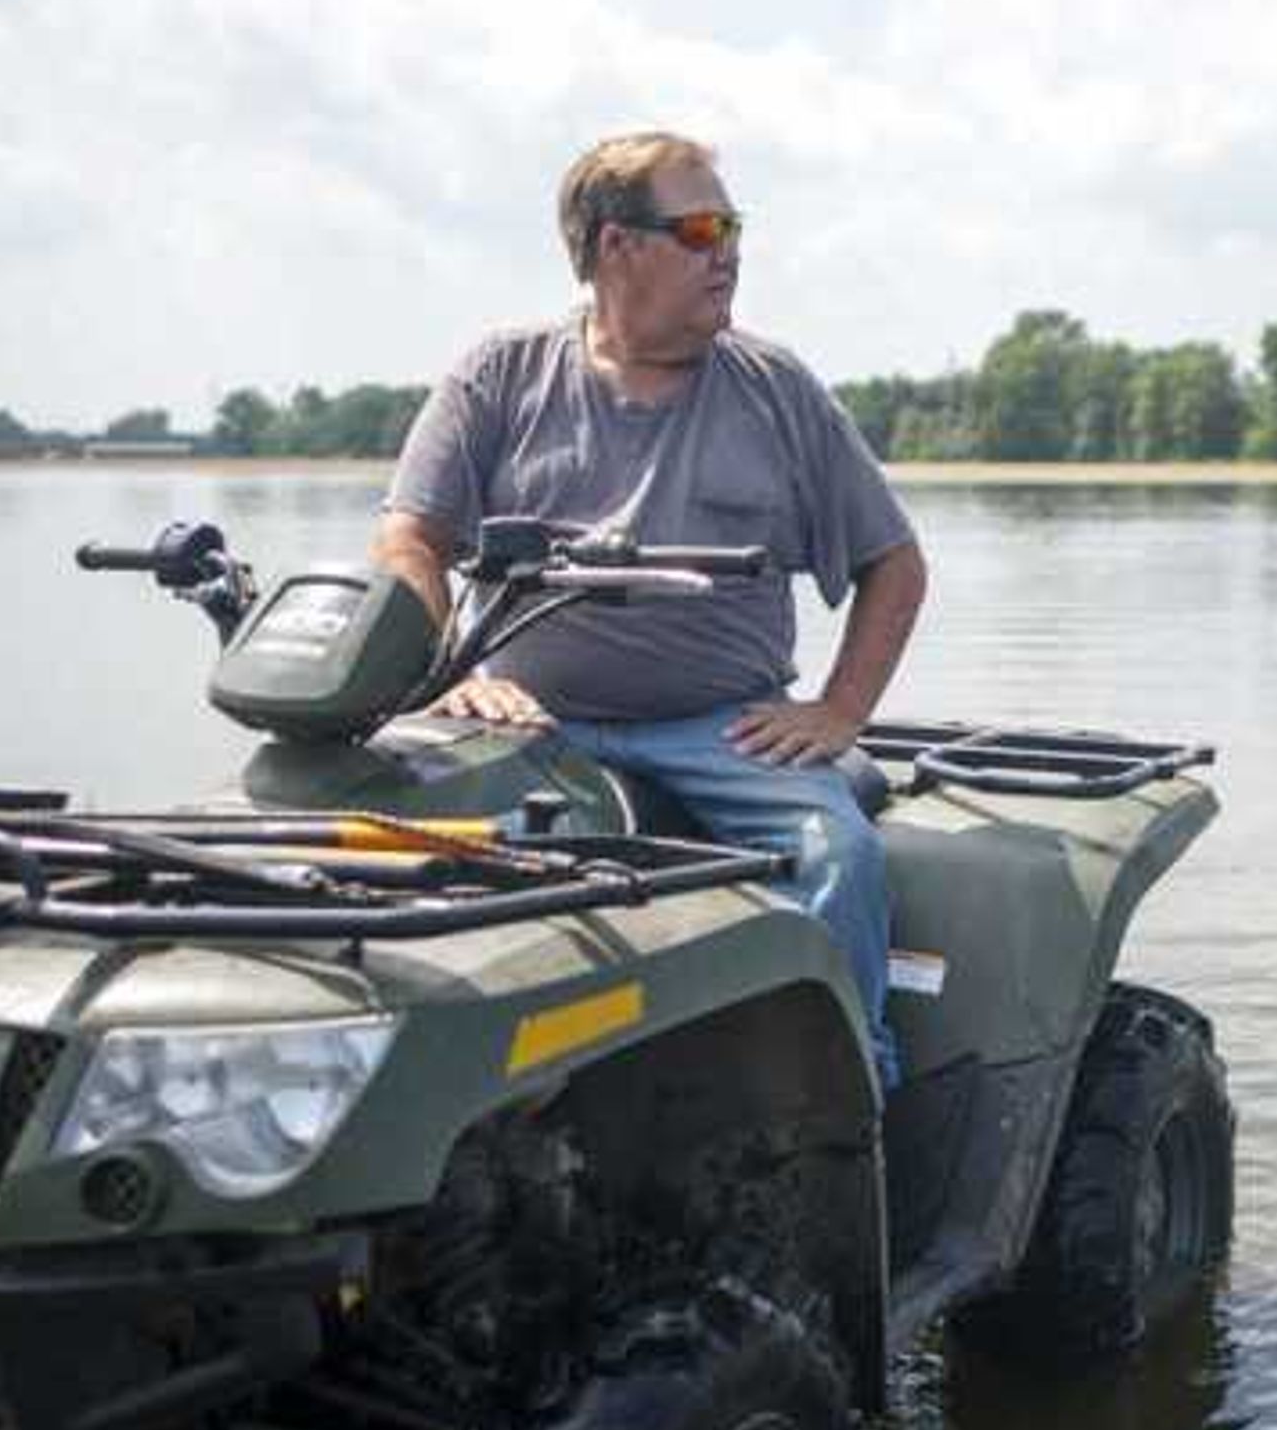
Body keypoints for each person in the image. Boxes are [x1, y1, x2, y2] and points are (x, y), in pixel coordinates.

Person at [374, 130, 929, 1092]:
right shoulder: (499, 376)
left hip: (723, 727)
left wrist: (839, 713)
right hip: (523, 718)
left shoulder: (777, 388)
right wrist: (456, 677)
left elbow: (896, 563)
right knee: (383, 852)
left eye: (734, 226)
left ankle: (856, 1100)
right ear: (612, 247)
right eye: (703, 227)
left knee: (840, 854)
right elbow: (409, 544)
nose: (730, 251)